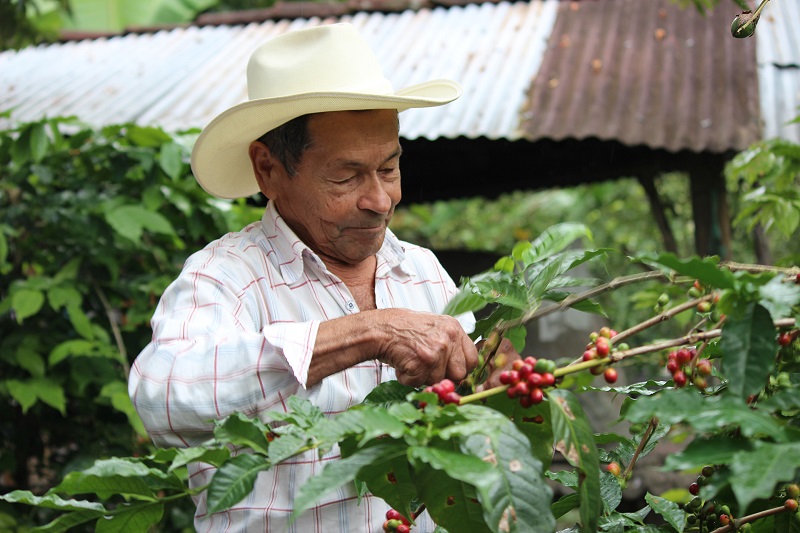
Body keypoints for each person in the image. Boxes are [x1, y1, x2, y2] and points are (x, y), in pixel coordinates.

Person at [129, 23, 490, 532]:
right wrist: (369, 331)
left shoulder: (423, 271)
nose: (380, 200)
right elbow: (163, 396)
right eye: (345, 177)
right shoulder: (226, 277)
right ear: (268, 169)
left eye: (389, 169)